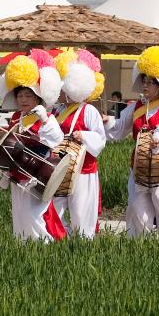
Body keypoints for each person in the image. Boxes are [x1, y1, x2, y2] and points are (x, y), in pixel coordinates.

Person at [105, 45, 159, 237]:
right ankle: (138, 243)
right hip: (138, 166)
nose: (146, 86)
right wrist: (108, 122)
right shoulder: (136, 107)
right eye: (144, 81)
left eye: (151, 82)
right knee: (136, 208)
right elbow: (119, 128)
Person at [0, 49, 65, 242]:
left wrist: (44, 120)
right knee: (19, 214)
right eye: (20, 95)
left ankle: (44, 246)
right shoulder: (16, 117)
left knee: (35, 215)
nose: (23, 100)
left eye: (28, 96)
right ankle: (24, 249)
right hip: (17, 173)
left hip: (37, 173)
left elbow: (56, 138)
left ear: (38, 98)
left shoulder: (46, 117)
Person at [51, 48, 106, 238]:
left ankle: (82, 246)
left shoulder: (89, 110)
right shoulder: (57, 110)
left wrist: (84, 135)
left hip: (83, 170)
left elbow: (100, 139)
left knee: (81, 214)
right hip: (59, 168)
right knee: (54, 211)